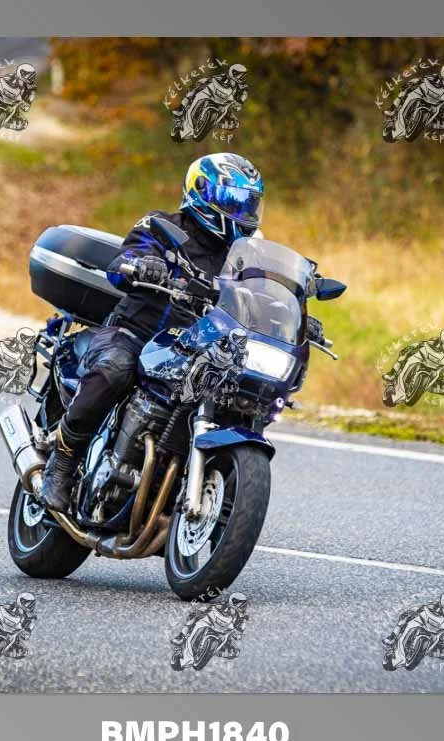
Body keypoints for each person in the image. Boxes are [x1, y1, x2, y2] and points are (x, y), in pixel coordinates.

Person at [41, 152, 290, 511]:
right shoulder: (161, 226)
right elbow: (125, 259)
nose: (243, 211)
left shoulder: (244, 257)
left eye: (250, 203)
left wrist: (286, 310)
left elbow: (262, 293)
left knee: (241, 391)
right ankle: (62, 462)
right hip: (135, 333)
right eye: (233, 200)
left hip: (196, 348)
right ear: (202, 193)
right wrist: (141, 264)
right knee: (116, 367)